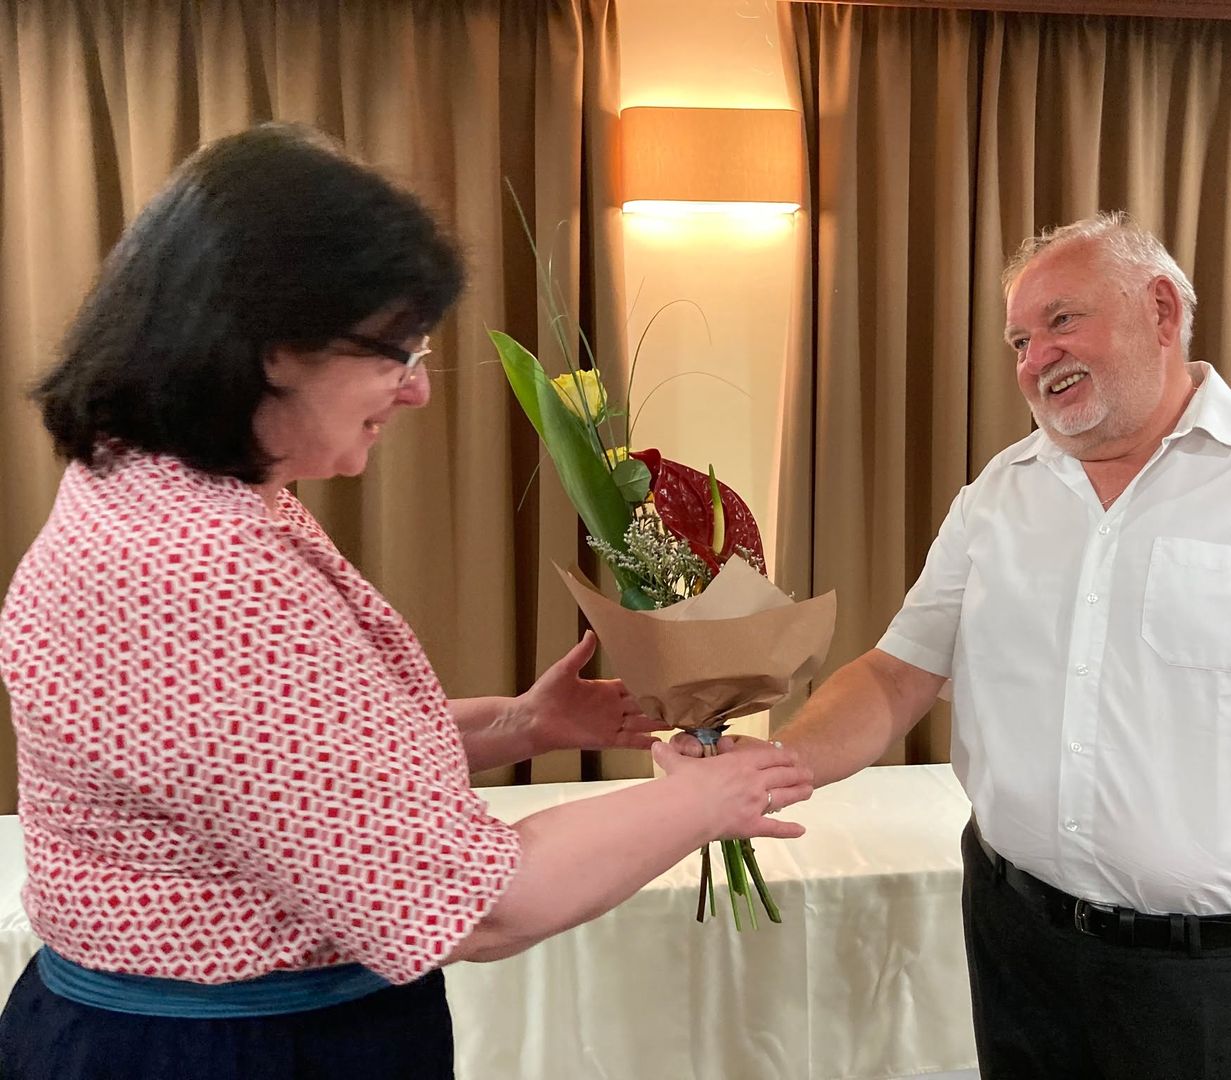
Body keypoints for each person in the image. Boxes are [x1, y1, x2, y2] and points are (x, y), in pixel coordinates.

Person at [0, 123, 813, 1080]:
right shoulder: (201, 570)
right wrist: (701, 801)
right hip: (226, 1051)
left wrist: (517, 725)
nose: (419, 391)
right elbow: (483, 906)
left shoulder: (155, 489)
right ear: (274, 346)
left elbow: (292, 768)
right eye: (399, 352)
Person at [695, 212, 1231, 1078]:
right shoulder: (997, 495)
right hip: (1024, 956)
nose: (1035, 358)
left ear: (1161, 311)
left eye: (1060, 321)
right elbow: (897, 675)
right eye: (1019, 340)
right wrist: (773, 765)